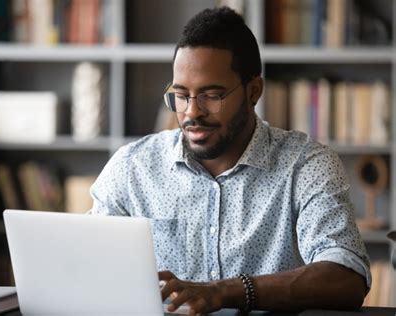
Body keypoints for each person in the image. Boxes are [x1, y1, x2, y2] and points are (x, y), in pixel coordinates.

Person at [90, 6, 370, 315]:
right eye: (181, 95)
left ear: (254, 91)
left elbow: (346, 276)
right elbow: (86, 261)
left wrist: (227, 292)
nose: (192, 112)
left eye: (212, 95)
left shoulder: (306, 166)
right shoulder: (133, 167)